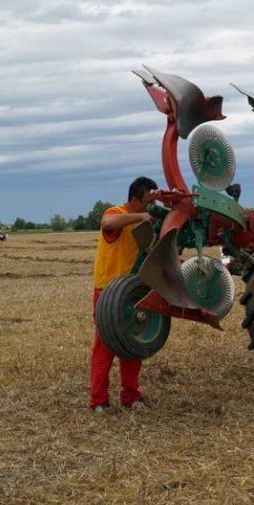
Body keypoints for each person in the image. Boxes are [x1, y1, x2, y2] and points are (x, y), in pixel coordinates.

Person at [90, 176, 159, 413]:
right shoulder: (117, 213)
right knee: (105, 348)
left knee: (133, 347)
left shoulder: (143, 227)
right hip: (108, 293)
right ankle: (98, 401)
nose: (149, 209)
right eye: (147, 203)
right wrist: (140, 216)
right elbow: (107, 222)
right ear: (134, 199)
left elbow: (151, 256)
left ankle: (131, 396)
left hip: (131, 293)